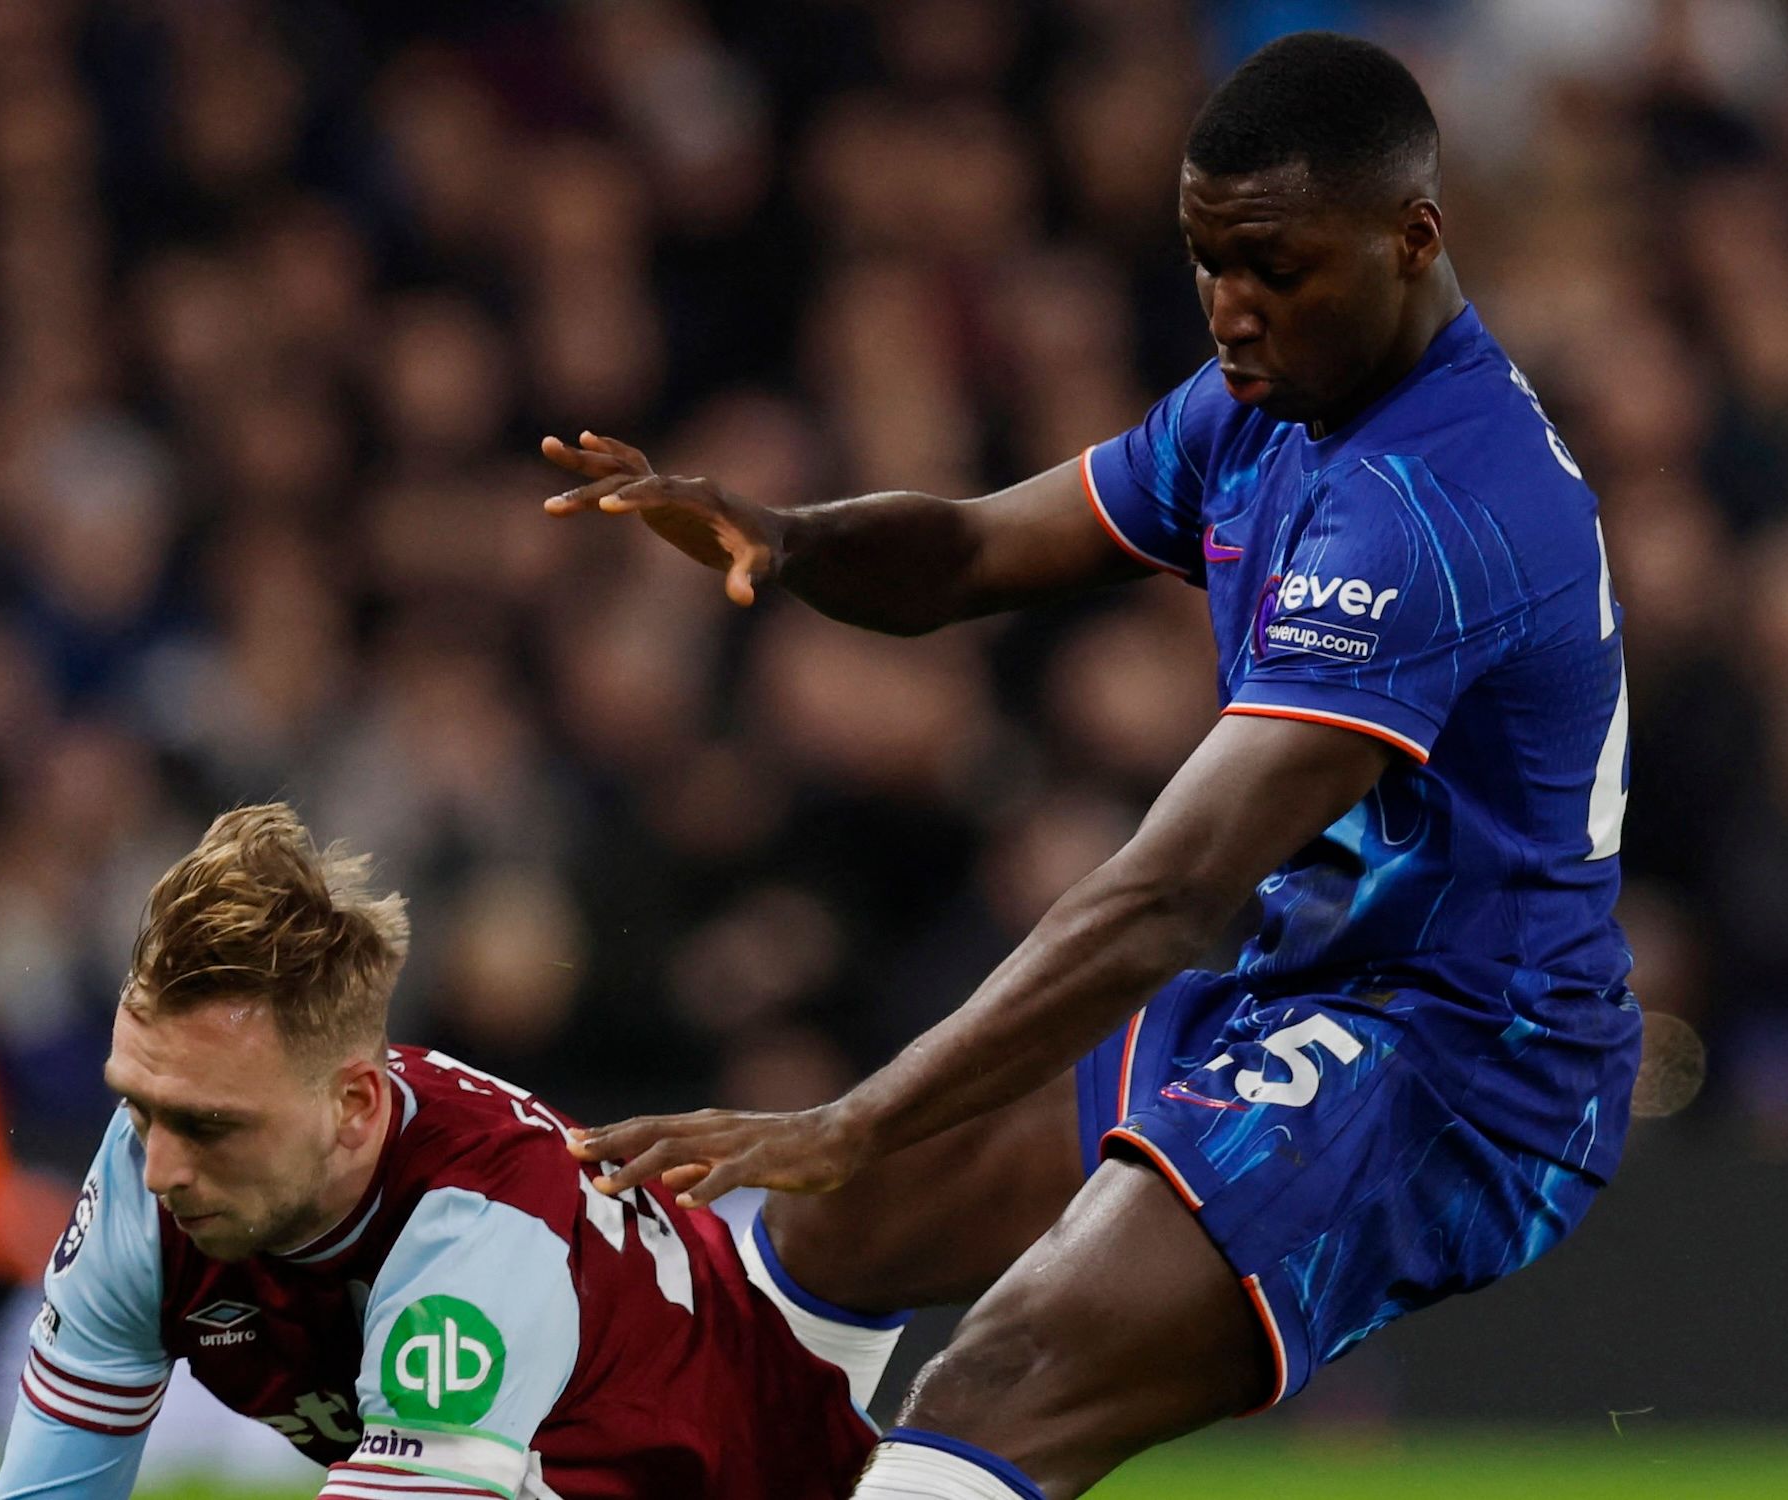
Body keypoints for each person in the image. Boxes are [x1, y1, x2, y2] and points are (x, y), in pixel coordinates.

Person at [547, 33, 1638, 1500]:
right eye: (1205, 263)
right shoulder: (1264, 407)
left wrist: (846, 1111)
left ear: (1413, 238)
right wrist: (795, 539)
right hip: (1290, 980)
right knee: (850, 1218)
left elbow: (1170, 895)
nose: (1231, 313)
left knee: (1008, 1370)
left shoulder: (1435, 511)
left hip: (1457, 1054)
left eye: (1271, 267)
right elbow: (978, 550)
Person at [0, 803, 879, 1499]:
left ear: (355, 1107)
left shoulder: (484, 1219)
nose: (159, 1171)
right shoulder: (156, 1149)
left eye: (213, 1128)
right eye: (140, 1108)